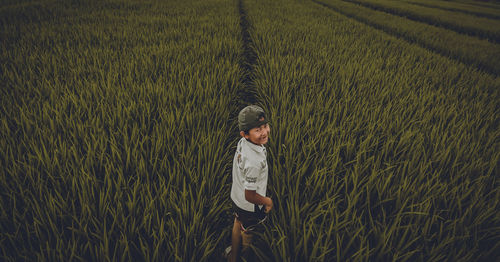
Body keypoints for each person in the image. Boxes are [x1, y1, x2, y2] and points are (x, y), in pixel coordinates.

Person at [225, 105, 273, 262]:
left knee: (237, 222)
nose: (264, 132)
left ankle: (233, 256)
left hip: (237, 199)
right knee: (249, 233)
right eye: (257, 130)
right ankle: (245, 257)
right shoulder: (253, 161)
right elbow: (250, 195)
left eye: (265, 126)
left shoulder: (243, 143)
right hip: (249, 206)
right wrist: (267, 201)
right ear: (245, 134)